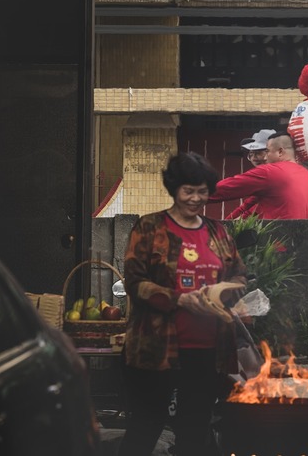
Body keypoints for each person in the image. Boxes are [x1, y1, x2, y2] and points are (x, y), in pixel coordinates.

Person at [119, 152, 247, 456]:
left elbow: (239, 277)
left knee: (195, 428)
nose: (195, 198)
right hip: (156, 348)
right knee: (147, 423)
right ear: (174, 189)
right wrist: (180, 299)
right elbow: (135, 283)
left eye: (202, 191)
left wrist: (220, 293)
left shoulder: (219, 232)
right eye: (188, 190)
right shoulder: (149, 228)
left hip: (207, 351)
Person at [208, 131, 308, 219]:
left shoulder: (271, 172)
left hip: (276, 246)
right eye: (251, 154)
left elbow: (228, 187)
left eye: (266, 152)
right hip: (304, 247)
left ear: (280, 152)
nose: (265, 157)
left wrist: (194, 193)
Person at [227, 129, 276, 219]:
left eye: (258, 153)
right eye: (251, 154)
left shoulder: (278, 176)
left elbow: (258, 208)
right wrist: (226, 223)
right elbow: (248, 204)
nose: (253, 158)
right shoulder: (264, 177)